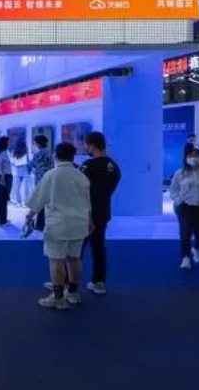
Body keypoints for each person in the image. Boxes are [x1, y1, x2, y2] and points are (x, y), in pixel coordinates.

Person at [26, 142, 90, 310]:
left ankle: (58, 297)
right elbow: (87, 202)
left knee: (56, 259)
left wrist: (29, 217)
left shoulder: (52, 175)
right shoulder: (81, 176)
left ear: (56, 156)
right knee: (74, 258)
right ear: (73, 157)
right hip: (80, 223)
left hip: (58, 224)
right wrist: (90, 221)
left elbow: (38, 198)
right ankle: (73, 293)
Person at [79, 132, 121, 296]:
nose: (85, 147)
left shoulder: (87, 166)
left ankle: (69, 283)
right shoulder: (114, 167)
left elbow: (79, 189)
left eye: (86, 144)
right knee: (98, 247)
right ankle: (99, 282)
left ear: (92, 145)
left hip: (84, 212)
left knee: (76, 250)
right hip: (102, 211)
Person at [169, 147, 199, 269]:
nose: (193, 158)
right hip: (184, 206)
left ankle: (197, 249)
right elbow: (173, 189)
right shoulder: (180, 173)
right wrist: (178, 199)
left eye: (196, 155)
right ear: (186, 158)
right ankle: (186, 257)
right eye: (190, 156)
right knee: (185, 232)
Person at [29, 135, 55, 231]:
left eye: (35, 142)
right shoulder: (49, 153)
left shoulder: (38, 154)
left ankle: (40, 224)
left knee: (40, 202)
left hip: (40, 180)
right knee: (47, 202)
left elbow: (32, 165)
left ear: (38, 143)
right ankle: (46, 223)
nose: (34, 144)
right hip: (50, 179)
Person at [0, 137, 12, 226]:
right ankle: (1, 220)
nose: (10, 143)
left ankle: (2, 219)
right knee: (2, 199)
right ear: (5, 143)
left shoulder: (0, 152)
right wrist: (3, 178)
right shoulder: (3, 153)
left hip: (2, 176)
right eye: (9, 142)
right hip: (4, 177)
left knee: (2, 199)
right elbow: (2, 166)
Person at [11, 140, 30, 206]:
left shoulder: (14, 150)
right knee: (25, 187)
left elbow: (13, 162)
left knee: (17, 187)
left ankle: (18, 202)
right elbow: (27, 160)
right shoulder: (26, 149)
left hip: (17, 168)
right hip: (25, 168)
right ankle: (25, 202)